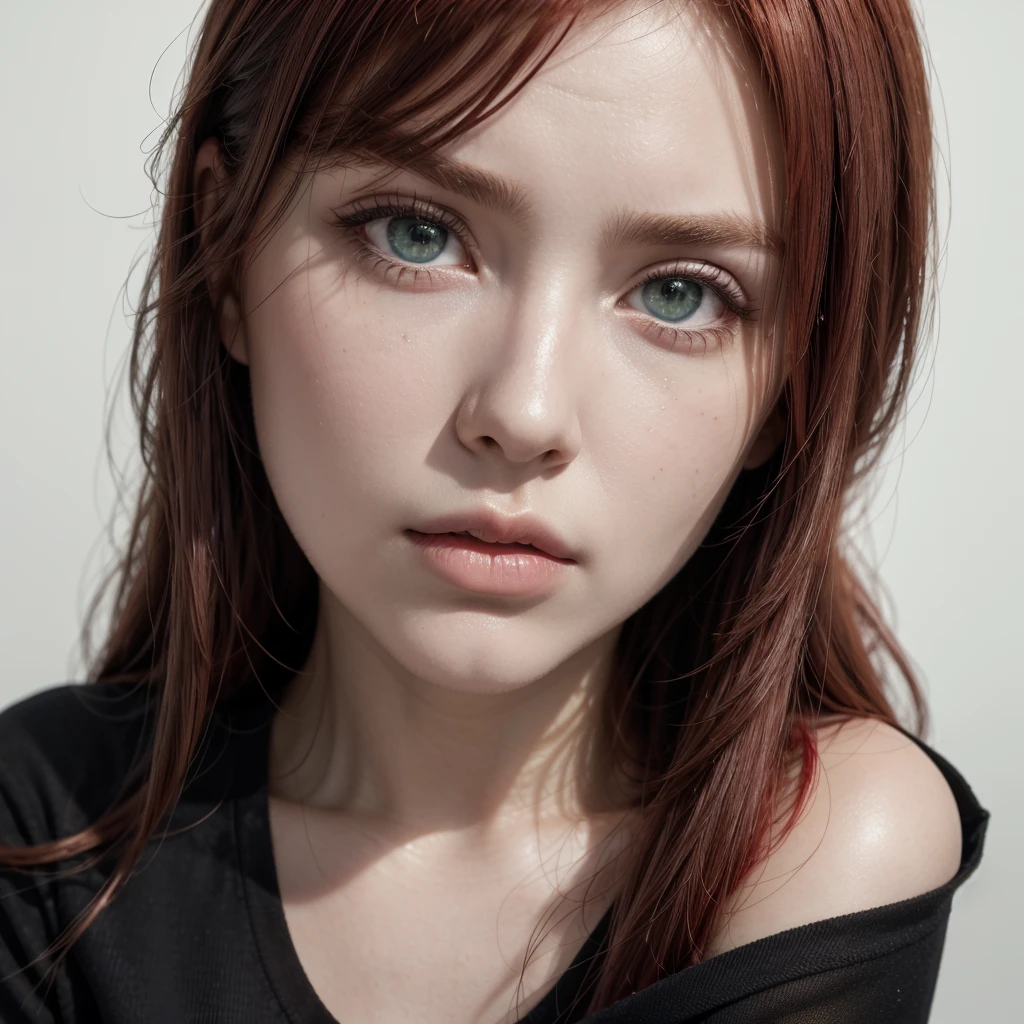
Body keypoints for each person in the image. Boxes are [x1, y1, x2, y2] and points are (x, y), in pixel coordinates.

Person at [0, 0, 990, 1021]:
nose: (522, 413)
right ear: (226, 246)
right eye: (416, 233)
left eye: (680, 296)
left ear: (797, 383)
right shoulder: (41, 834)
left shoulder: (818, 844)